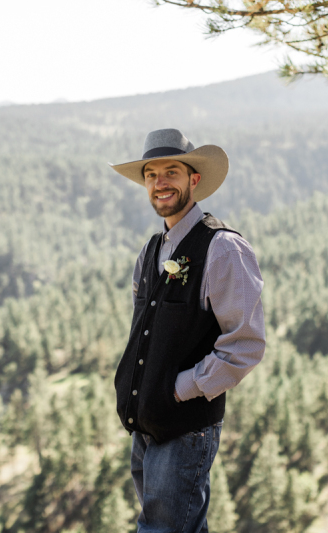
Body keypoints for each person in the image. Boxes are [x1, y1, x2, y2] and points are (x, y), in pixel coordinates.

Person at [109, 128, 266, 532]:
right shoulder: (151, 250)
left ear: (194, 180)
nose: (160, 183)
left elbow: (245, 345)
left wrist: (179, 389)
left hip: (184, 428)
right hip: (145, 426)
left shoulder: (223, 248)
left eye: (171, 172)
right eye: (151, 174)